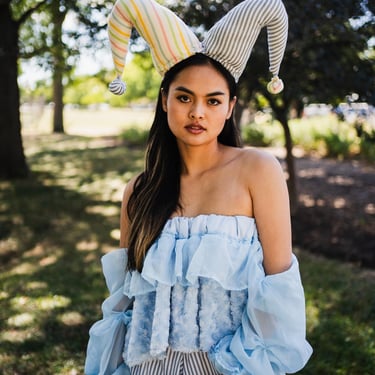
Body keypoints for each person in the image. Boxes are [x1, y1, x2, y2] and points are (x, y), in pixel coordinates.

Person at [85, 1, 313, 374]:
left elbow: (279, 289)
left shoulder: (258, 171)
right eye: (184, 97)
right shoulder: (139, 191)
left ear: (230, 108)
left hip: (229, 365)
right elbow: (125, 300)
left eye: (213, 100)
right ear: (164, 101)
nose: (197, 113)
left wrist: (230, 364)